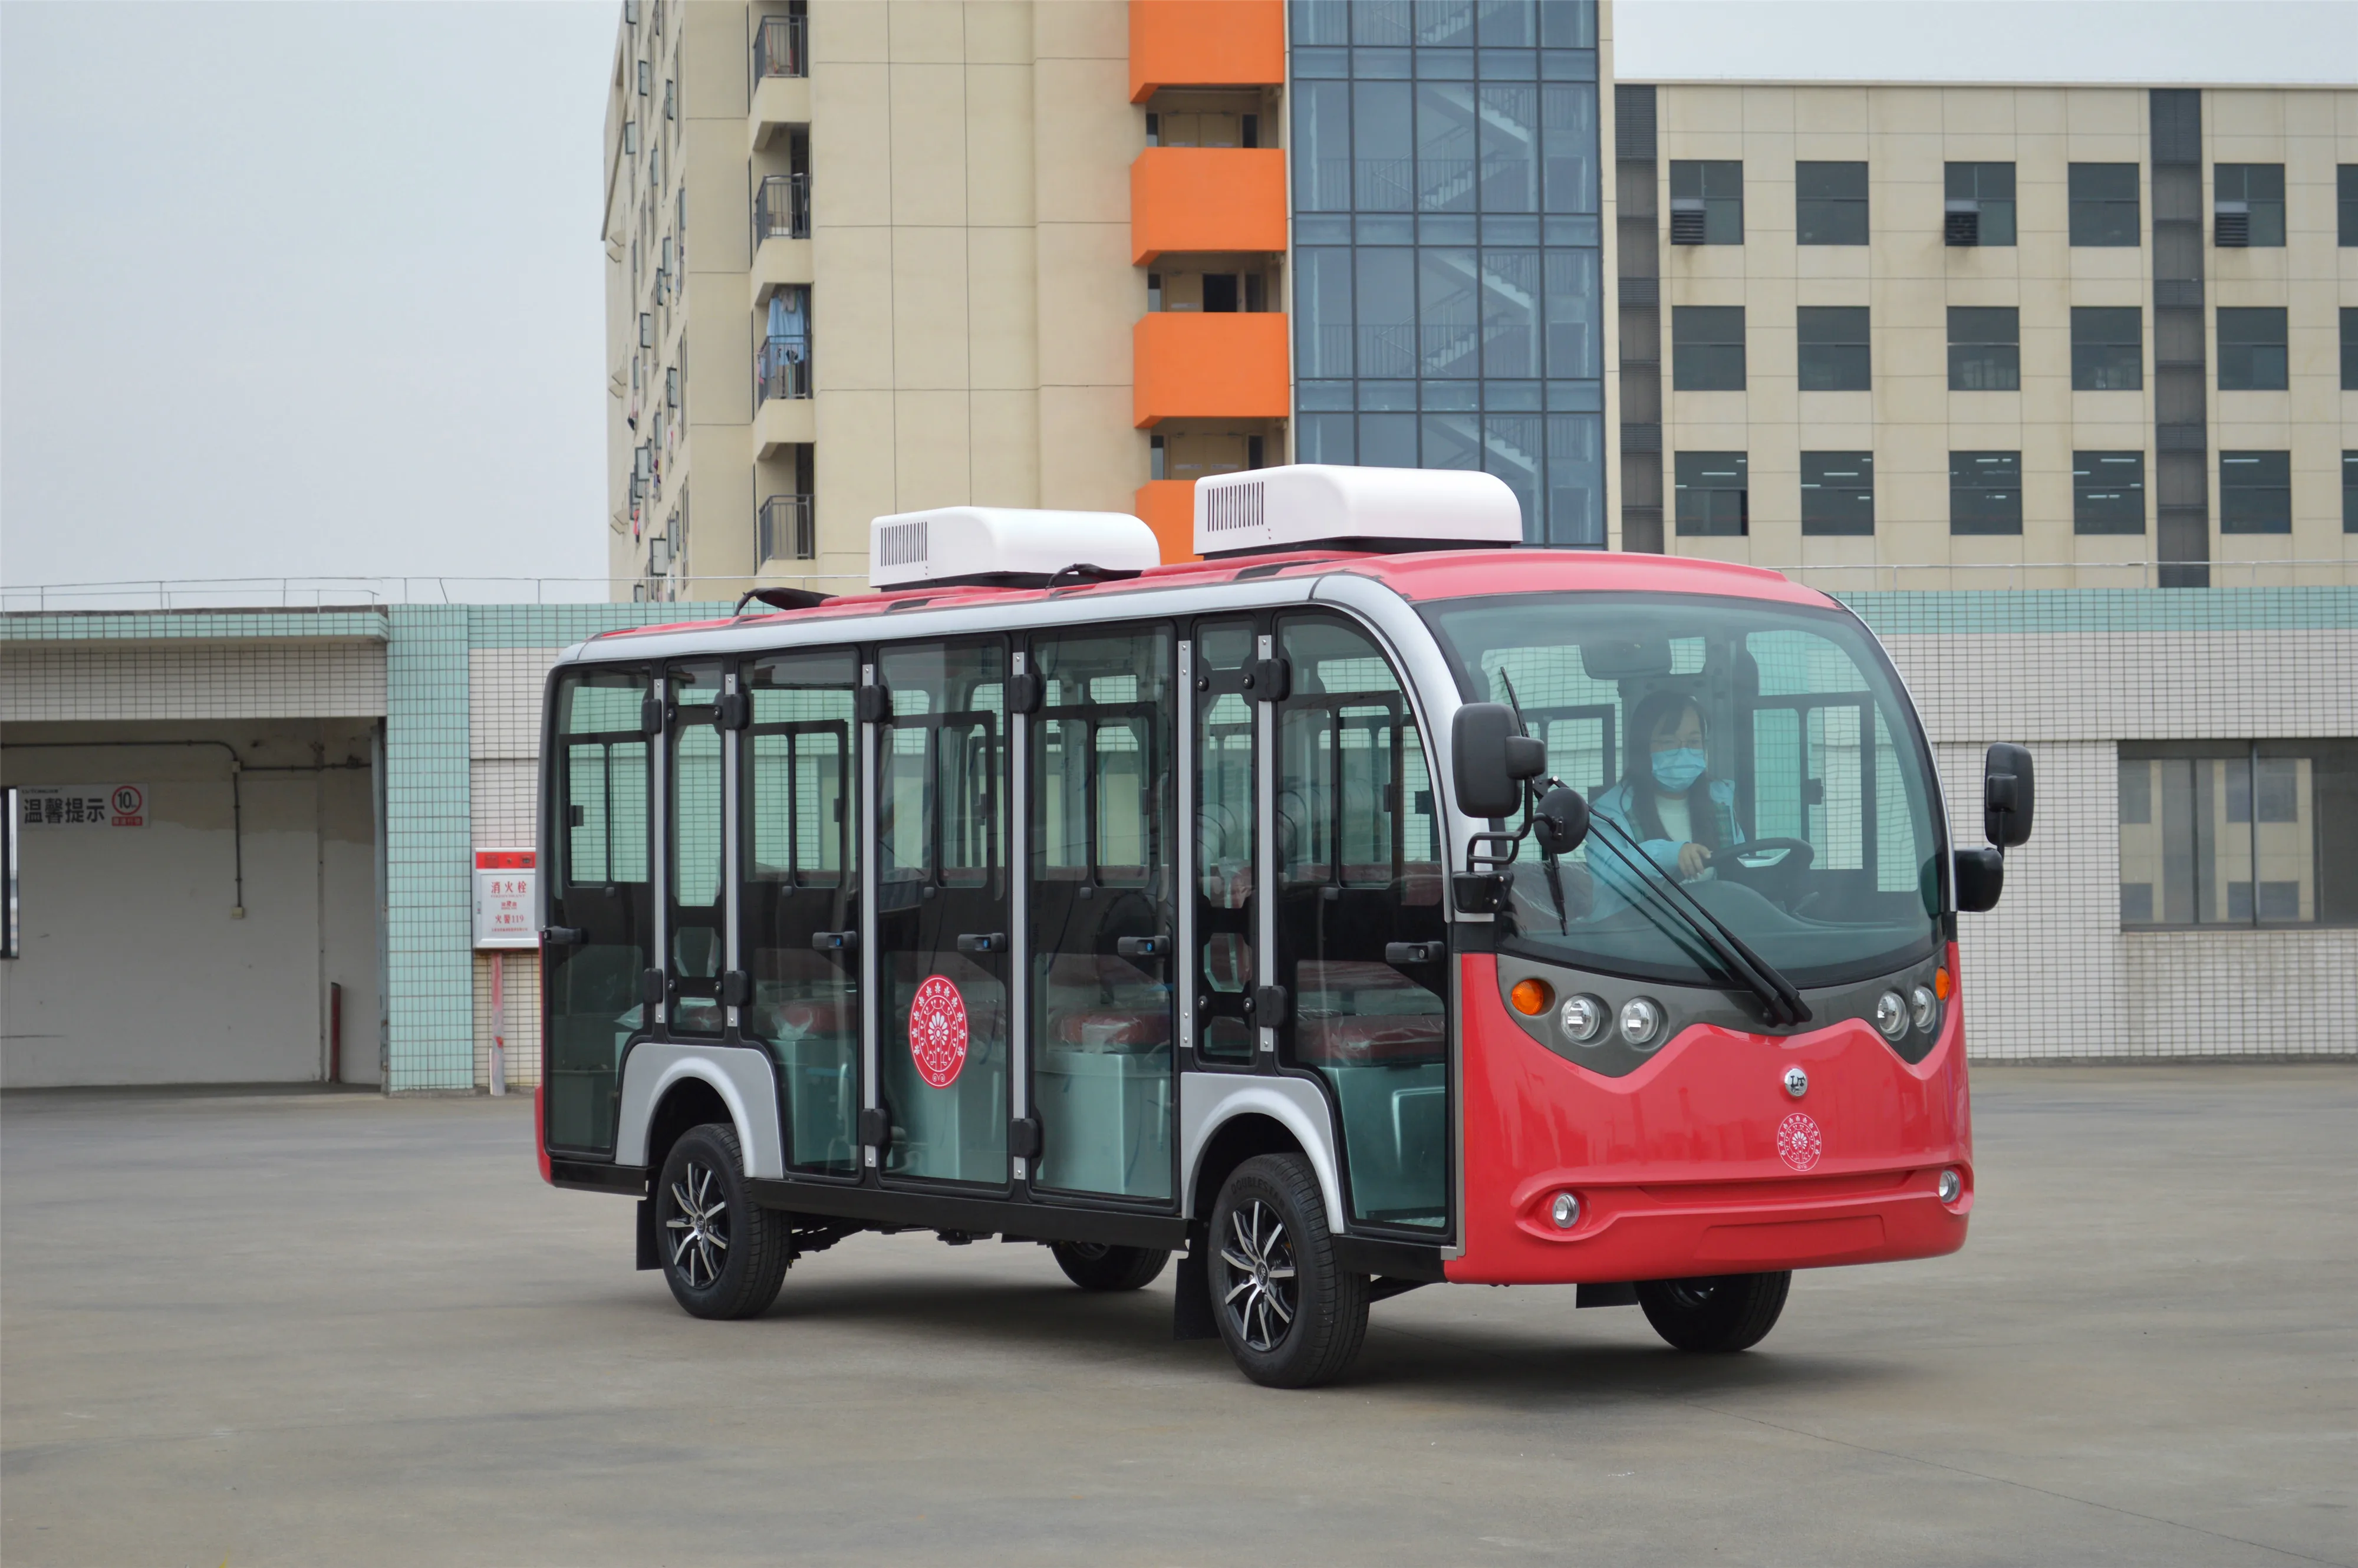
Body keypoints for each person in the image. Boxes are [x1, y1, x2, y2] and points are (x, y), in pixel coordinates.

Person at [1589, 690, 1745, 898]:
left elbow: (1742, 868)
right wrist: (1667, 855)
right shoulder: (1608, 813)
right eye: (1669, 742)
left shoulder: (1722, 801)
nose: (1683, 752)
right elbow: (1607, 877)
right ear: (1642, 749)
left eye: (1694, 742)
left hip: (1718, 927)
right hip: (1639, 929)